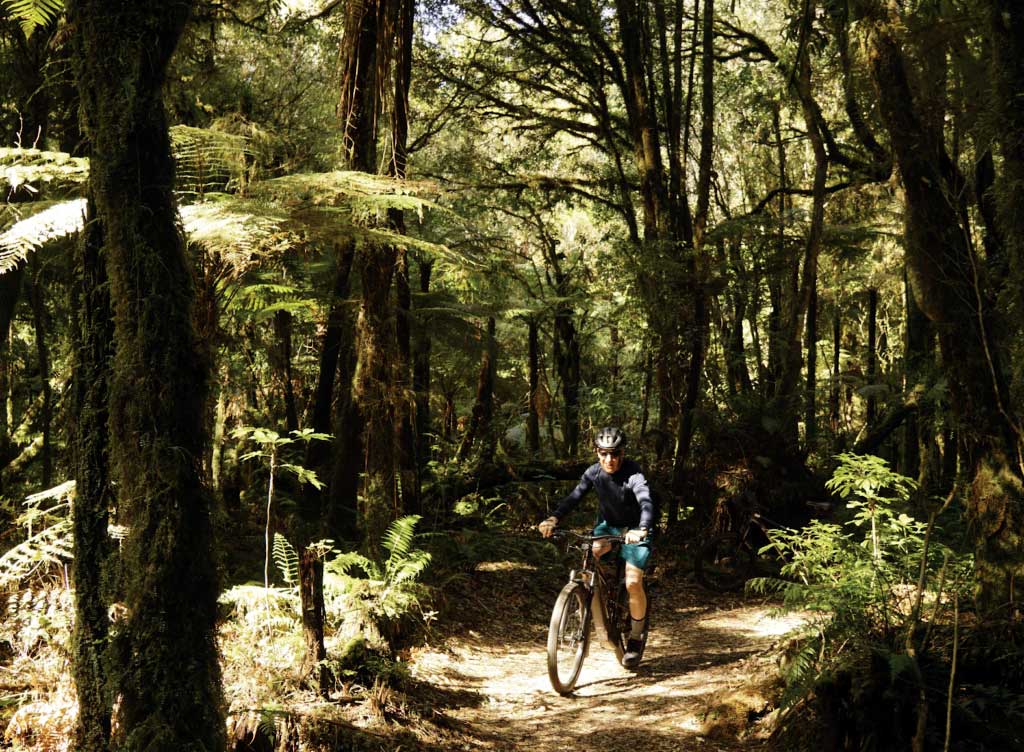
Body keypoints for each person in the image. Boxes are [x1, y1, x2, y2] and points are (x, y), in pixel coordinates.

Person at [539, 426, 654, 668]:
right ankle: (604, 592)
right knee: (593, 550)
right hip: (608, 527)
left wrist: (642, 527)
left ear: (622, 453)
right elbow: (574, 497)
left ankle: (635, 637)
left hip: (634, 529)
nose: (609, 460)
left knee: (633, 582)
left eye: (615, 454)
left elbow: (645, 499)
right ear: (596, 453)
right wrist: (554, 518)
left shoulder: (633, 473)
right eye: (604, 454)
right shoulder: (593, 473)